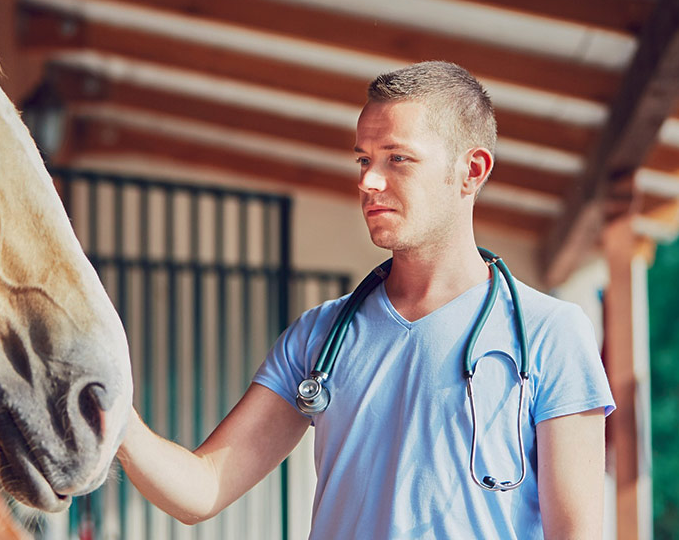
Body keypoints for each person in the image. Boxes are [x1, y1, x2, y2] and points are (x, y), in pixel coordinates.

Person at [116, 61, 615, 538]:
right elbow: (200, 491)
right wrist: (114, 414)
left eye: (397, 158)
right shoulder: (318, 337)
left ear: (472, 170)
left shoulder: (549, 333)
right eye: (364, 159)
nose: (368, 182)